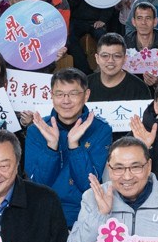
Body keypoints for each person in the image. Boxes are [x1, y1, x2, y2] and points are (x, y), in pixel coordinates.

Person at [20, 68, 111, 225]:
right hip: (45, 214)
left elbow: (88, 185)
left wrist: (74, 146)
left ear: (86, 95)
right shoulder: (36, 130)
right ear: (51, 96)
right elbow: (38, 185)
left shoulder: (101, 129)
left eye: (73, 94)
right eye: (59, 94)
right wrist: (51, 146)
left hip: (86, 215)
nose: (66, 100)